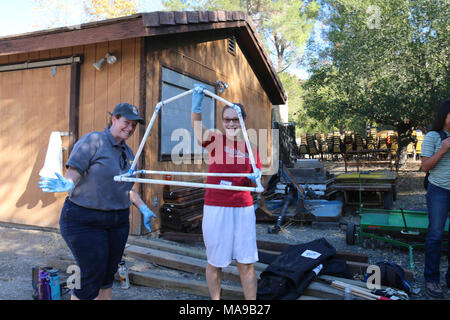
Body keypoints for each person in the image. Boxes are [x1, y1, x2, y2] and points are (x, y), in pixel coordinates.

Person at [38, 102, 157, 300]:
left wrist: (143, 207)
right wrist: (68, 184)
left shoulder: (128, 153)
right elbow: (74, 172)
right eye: (126, 122)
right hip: (84, 220)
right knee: (92, 273)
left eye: (133, 125)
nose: (130, 128)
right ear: (113, 119)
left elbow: (126, 187)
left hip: (117, 222)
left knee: (106, 276)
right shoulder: (94, 140)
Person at [190, 85, 262, 300]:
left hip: (242, 208)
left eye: (235, 119)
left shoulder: (251, 148)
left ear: (242, 121)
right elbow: (196, 128)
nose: (231, 123)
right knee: (215, 261)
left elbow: (257, 182)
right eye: (227, 119)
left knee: (246, 262)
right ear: (222, 122)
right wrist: (196, 106)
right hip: (216, 206)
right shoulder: (214, 140)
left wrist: (257, 179)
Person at [420, 98, 450, 299]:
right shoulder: (432, 136)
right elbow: (424, 167)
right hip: (439, 190)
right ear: (445, 115)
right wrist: (444, 148)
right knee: (435, 235)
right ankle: (431, 279)